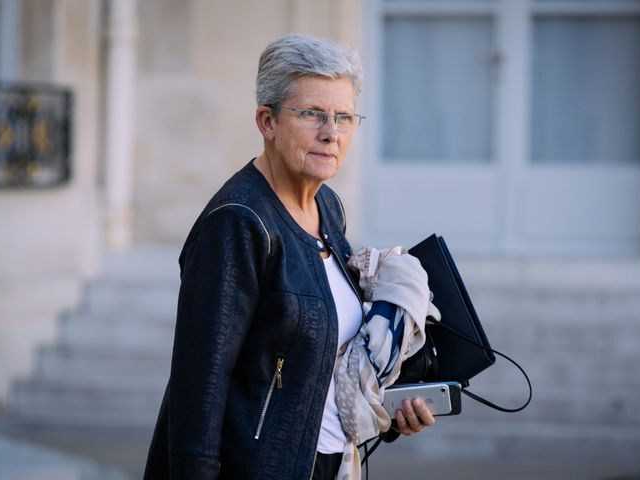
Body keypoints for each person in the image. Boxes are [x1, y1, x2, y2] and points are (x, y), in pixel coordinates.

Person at [143, 33, 436, 480]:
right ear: (267, 121)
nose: (331, 133)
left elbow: (324, 362)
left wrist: (390, 412)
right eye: (312, 114)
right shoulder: (238, 224)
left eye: (344, 117)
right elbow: (197, 390)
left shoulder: (328, 207)